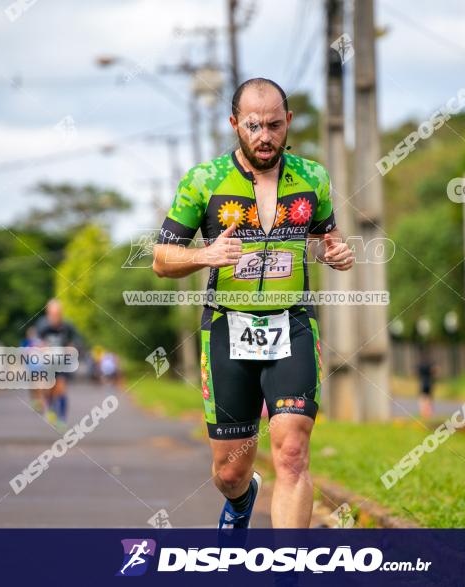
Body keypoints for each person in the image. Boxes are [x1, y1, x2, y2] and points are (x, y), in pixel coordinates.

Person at [152, 78, 355, 529]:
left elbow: (325, 239)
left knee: (292, 453)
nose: (265, 136)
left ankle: (287, 572)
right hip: (226, 330)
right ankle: (242, 502)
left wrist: (335, 252)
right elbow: (162, 260)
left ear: (288, 124)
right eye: (254, 125)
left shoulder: (313, 177)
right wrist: (204, 254)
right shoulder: (203, 181)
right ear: (234, 124)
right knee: (229, 472)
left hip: (293, 326)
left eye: (274, 125)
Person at [34, 299, 81, 431]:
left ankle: (62, 419)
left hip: (61, 362)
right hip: (47, 362)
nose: (55, 317)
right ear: (48, 314)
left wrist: (71, 348)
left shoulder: (67, 327)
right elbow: (37, 342)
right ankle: (50, 406)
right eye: (53, 314)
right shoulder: (43, 326)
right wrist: (42, 348)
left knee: (61, 389)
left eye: (58, 314)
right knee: (47, 389)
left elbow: (76, 340)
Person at [416, 348, 435, 419]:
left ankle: (423, 412)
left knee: (422, 398)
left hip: (423, 383)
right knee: (429, 398)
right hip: (429, 383)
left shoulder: (420, 365)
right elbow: (434, 371)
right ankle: (429, 412)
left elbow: (416, 372)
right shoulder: (430, 364)